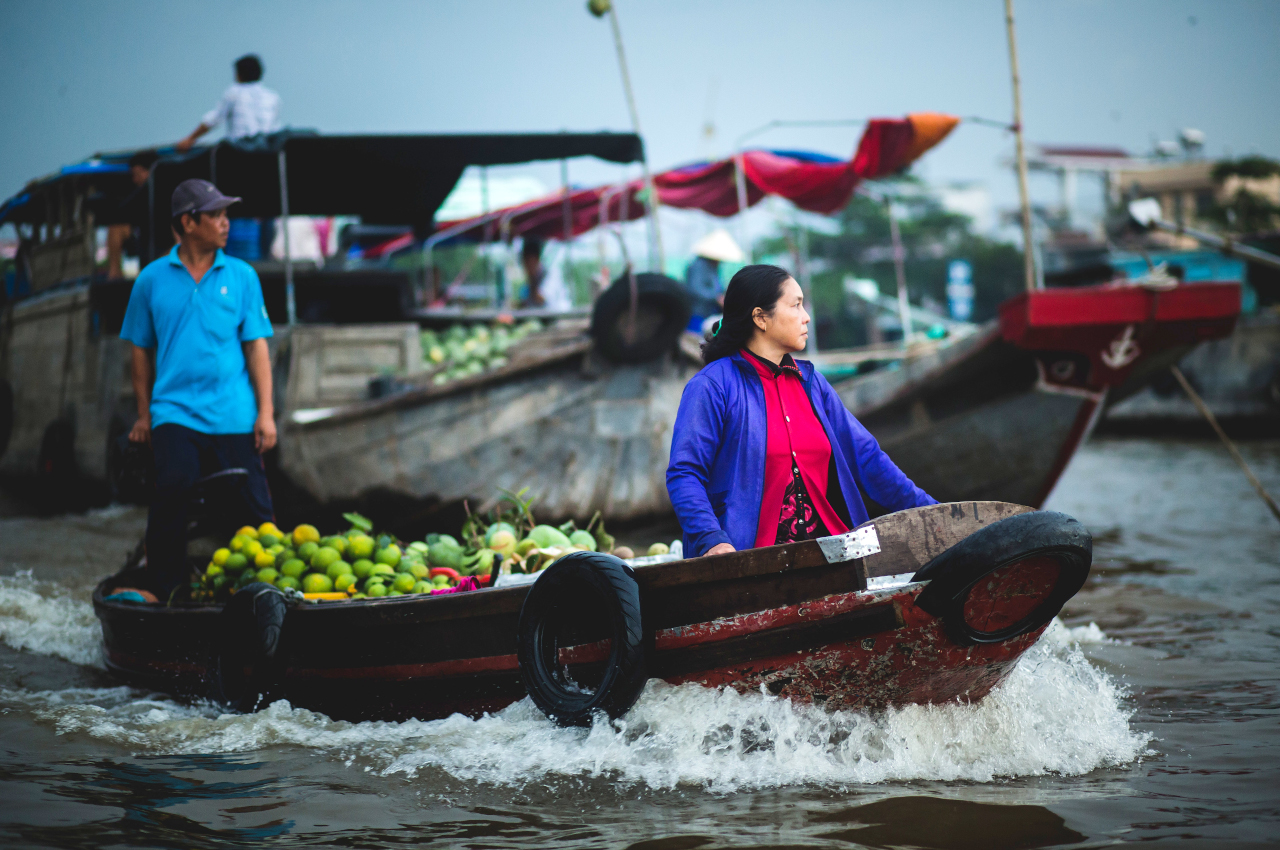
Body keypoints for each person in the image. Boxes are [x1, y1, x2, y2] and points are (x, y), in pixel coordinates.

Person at [666, 264, 935, 558]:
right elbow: (685, 472)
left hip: (833, 552)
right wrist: (712, 540)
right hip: (746, 558)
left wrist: (933, 513)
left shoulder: (812, 382)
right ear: (760, 318)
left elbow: (868, 458)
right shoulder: (711, 386)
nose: (806, 317)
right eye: (795, 305)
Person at [120, 178, 277, 597]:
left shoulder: (242, 276)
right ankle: (169, 591)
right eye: (217, 215)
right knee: (174, 488)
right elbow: (140, 351)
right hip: (175, 413)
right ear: (189, 223)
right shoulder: (151, 280)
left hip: (235, 413)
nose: (226, 223)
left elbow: (256, 347)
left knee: (255, 511)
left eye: (226, 214)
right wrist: (143, 414)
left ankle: (262, 592)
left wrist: (266, 413)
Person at [176, 54, 280, 151]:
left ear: (240, 74)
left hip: (239, 151)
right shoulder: (272, 96)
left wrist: (190, 139)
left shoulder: (234, 93)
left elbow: (213, 119)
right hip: (267, 151)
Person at [106, 150, 159, 278]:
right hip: (148, 248)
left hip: (169, 249)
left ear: (148, 172)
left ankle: (114, 274)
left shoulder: (159, 192)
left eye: (136, 174)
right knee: (116, 227)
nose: (134, 180)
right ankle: (114, 273)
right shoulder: (138, 199)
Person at [684, 228, 744, 324]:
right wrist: (716, 297)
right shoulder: (698, 266)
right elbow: (696, 288)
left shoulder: (713, 267)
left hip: (710, 311)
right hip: (698, 312)